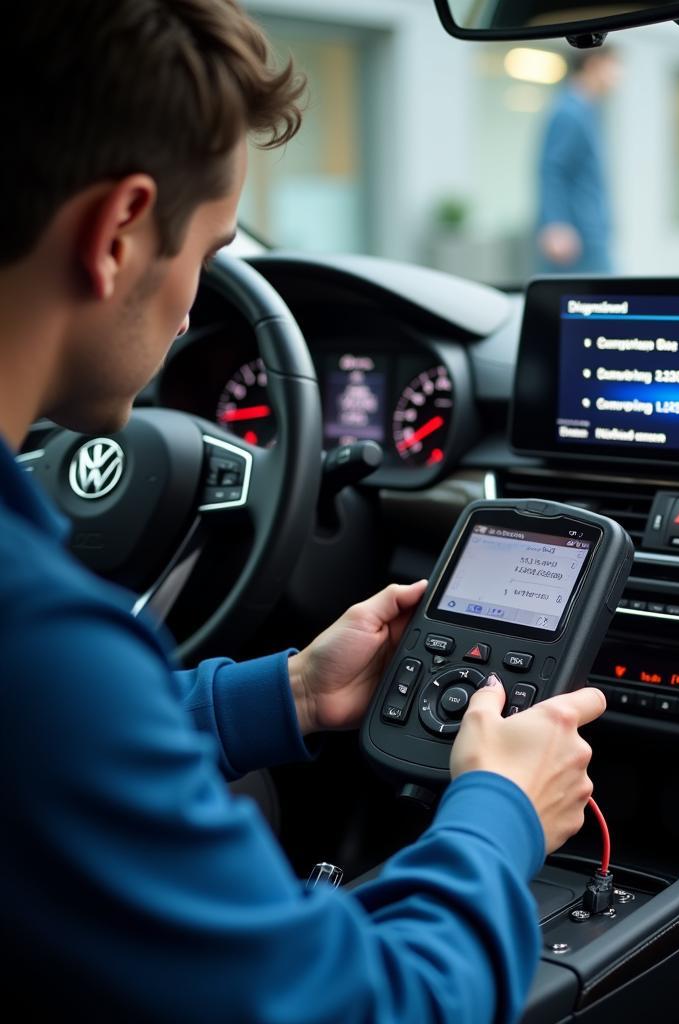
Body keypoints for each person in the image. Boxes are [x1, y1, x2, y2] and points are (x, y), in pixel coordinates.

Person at [0, 3, 606, 1020]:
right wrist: (500, 814)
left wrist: (280, 694)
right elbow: (373, 1004)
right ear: (115, 234)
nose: (194, 306)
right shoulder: (43, 644)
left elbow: (53, 768)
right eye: (207, 248)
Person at [535, 48, 622, 274]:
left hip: (590, 233)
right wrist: (556, 223)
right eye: (614, 66)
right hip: (576, 238)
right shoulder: (569, 112)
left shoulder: (587, 110)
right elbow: (552, 169)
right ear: (594, 64)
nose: (620, 74)